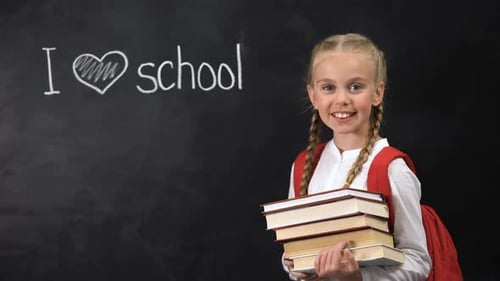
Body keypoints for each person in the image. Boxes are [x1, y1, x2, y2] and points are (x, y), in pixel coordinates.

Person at [281, 33, 432, 281]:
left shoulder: (391, 169)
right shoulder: (302, 166)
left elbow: (418, 262)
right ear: (313, 95)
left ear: (377, 93)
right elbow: (292, 251)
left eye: (355, 86)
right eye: (328, 87)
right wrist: (296, 267)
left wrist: (358, 278)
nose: (342, 99)